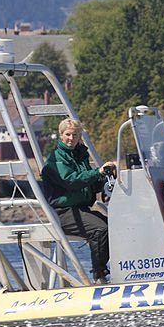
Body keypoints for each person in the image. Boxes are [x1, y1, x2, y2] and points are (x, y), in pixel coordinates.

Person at [40, 117, 115, 284]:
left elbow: (88, 183)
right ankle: (99, 275)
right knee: (100, 229)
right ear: (60, 135)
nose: (71, 138)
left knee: (114, 227)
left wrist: (106, 177)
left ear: (79, 136)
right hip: (62, 212)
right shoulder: (56, 158)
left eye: (75, 135)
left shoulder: (80, 155)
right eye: (67, 134)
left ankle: (115, 271)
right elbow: (71, 181)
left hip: (80, 209)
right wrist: (97, 172)